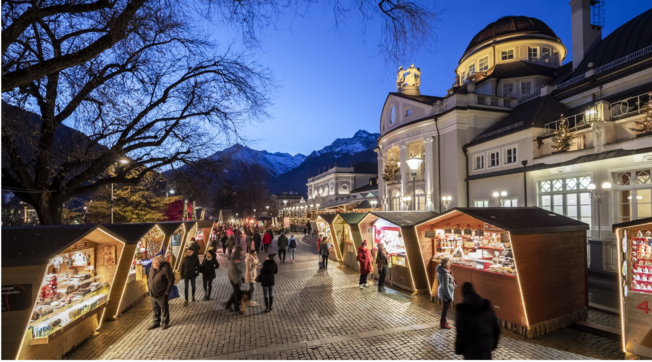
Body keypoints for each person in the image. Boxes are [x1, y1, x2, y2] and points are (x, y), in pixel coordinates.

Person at [455, 283, 500, 361]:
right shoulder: (486, 307)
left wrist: (459, 348)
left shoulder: (462, 310)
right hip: (485, 347)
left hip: (471, 350)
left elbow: (461, 332)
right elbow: (496, 328)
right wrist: (493, 344)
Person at [147, 255, 175, 330]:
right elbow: (149, 278)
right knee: (155, 309)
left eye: (153, 263)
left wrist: (167, 292)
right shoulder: (152, 269)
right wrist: (149, 289)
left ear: (158, 263)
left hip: (162, 293)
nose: (152, 264)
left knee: (164, 309)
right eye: (152, 263)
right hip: (153, 293)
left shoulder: (165, 269)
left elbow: (171, 280)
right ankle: (156, 322)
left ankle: (165, 323)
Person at [437, 257, 456, 329]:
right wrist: (449, 296)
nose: (450, 263)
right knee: (445, 308)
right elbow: (445, 286)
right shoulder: (445, 274)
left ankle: (444, 320)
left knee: (445, 308)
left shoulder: (441, 271)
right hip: (446, 293)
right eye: (449, 262)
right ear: (446, 264)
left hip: (443, 292)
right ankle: (442, 323)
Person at [226, 246, 245, 315]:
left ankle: (228, 304)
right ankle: (236, 309)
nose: (243, 252)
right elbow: (239, 269)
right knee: (238, 293)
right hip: (235, 278)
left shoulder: (232, 257)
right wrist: (242, 277)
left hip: (233, 278)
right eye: (241, 251)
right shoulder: (236, 259)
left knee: (236, 292)